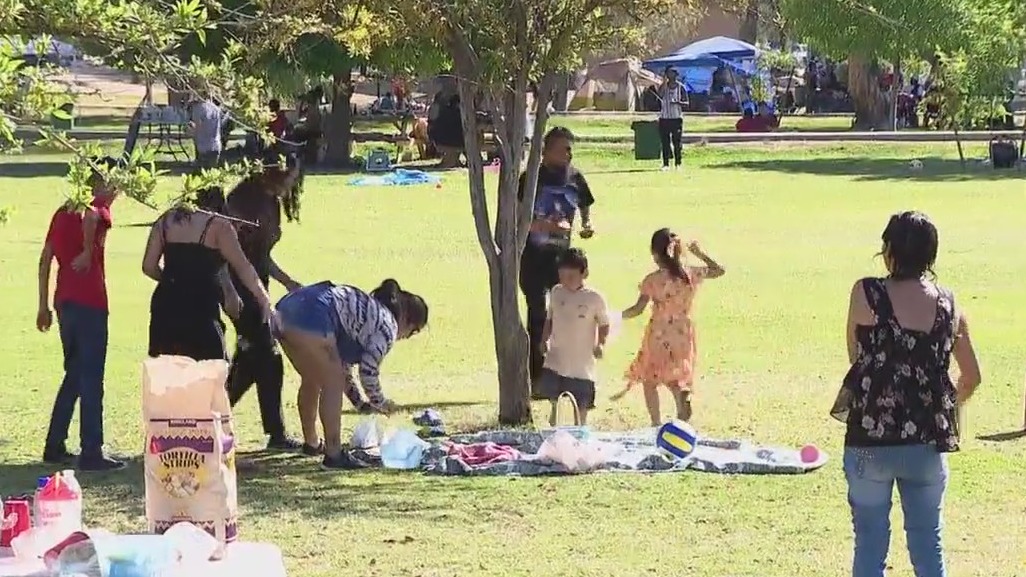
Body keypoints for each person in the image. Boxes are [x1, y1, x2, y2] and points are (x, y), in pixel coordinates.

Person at [832, 211, 981, 577]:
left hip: (869, 441)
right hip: (926, 443)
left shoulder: (865, 293)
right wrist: (946, 405)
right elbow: (972, 377)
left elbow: (856, 356)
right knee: (928, 545)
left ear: (889, 251)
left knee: (869, 544)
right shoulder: (950, 304)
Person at [275, 279, 429, 469]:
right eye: (412, 332)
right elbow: (368, 371)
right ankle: (334, 454)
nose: (405, 337)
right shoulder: (387, 326)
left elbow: (343, 368)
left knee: (314, 378)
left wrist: (360, 403)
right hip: (314, 313)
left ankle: (312, 443)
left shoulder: (367, 315)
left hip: (285, 311)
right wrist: (381, 403)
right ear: (407, 319)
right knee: (332, 382)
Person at [36, 157, 124, 471]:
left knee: (74, 374)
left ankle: (54, 444)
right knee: (91, 378)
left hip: (64, 301)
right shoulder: (96, 206)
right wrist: (88, 249)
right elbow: (91, 214)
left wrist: (42, 304)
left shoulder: (61, 210)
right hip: (90, 301)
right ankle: (91, 450)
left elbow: (45, 258)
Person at [224, 148, 306, 451]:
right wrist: (231, 291)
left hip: (257, 283)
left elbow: (262, 255)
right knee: (265, 356)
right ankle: (274, 431)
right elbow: (229, 252)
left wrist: (286, 281)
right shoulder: (243, 202)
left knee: (255, 358)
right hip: (238, 286)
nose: (293, 184)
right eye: (291, 177)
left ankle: (271, 430)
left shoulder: (271, 202)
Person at [143, 187, 277, 361]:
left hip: (166, 305)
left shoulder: (166, 221)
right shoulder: (218, 226)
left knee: (171, 375)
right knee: (211, 371)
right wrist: (263, 299)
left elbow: (148, 266)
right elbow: (243, 267)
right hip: (201, 308)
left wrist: (173, 281)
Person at [615, 228, 725, 425]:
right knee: (676, 377)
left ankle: (656, 424)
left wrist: (617, 316)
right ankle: (681, 406)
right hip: (683, 332)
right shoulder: (689, 274)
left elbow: (638, 308)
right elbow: (719, 270)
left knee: (650, 379)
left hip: (658, 333)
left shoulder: (653, 280)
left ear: (655, 254)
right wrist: (699, 253)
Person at [518, 126, 595, 397]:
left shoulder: (575, 177)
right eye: (563, 148)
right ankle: (536, 378)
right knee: (538, 317)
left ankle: (565, 378)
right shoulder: (531, 179)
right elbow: (519, 217)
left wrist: (586, 223)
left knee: (566, 318)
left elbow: (585, 204)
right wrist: (548, 226)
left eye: (570, 148)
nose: (569, 153)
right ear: (546, 151)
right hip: (533, 259)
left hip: (563, 263)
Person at [539, 248, 609, 426]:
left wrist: (600, 344)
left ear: (584, 273)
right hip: (557, 354)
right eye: (562, 276)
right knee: (553, 387)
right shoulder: (556, 292)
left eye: (571, 276)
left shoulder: (594, 298)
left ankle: (581, 426)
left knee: (581, 395)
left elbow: (604, 323)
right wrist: (544, 339)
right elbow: (550, 318)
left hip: (581, 359)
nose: (566, 281)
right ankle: (554, 414)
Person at [657, 66, 686, 171]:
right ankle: (665, 164)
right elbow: (659, 95)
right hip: (664, 118)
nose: (670, 75)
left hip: (676, 118)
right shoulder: (663, 87)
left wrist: (678, 102)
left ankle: (678, 163)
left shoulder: (681, 87)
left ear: (676, 74)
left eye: (672, 73)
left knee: (677, 142)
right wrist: (664, 83)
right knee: (665, 143)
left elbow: (687, 103)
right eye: (668, 73)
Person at [190, 96, 225, 169]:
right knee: (213, 172)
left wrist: (190, 130)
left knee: (203, 173)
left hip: (203, 146)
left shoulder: (198, 109)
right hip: (216, 144)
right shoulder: (215, 108)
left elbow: (197, 128)